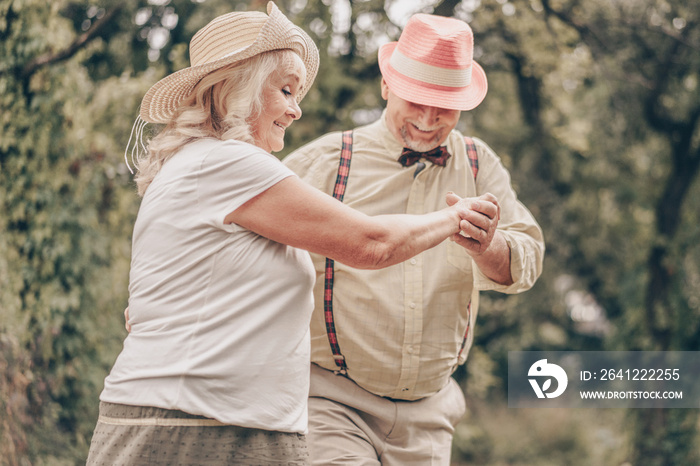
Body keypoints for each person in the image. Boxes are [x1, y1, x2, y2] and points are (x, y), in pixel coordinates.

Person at [86, 3, 484, 465]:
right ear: (240, 86)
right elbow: (370, 243)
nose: (296, 110)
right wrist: (459, 217)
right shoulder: (227, 164)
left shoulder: (206, 167)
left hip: (226, 422)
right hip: (192, 425)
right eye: (286, 90)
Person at [282, 12, 545, 466]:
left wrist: (489, 247)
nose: (427, 119)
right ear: (387, 86)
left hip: (430, 418)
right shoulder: (328, 160)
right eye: (415, 99)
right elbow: (243, 229)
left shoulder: (480, 165)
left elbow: (527, 258)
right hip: (331, 404)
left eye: (443, 105)